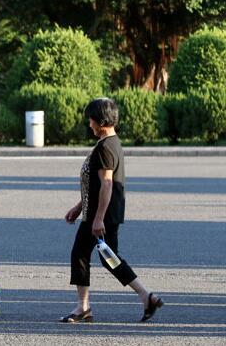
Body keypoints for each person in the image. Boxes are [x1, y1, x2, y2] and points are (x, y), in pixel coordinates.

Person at [61, 97, 164, 323]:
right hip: (101, 212)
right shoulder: (112, 143)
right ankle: (145, 296)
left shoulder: (105, 148)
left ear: (101, 121)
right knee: (109, 258)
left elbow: (107, 183)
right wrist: (79, 207)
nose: (89, 125)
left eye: (91, 120)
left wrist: (97, 219)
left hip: (101, 215)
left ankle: (84, 307)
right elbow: (97, 185)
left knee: (82, 254)